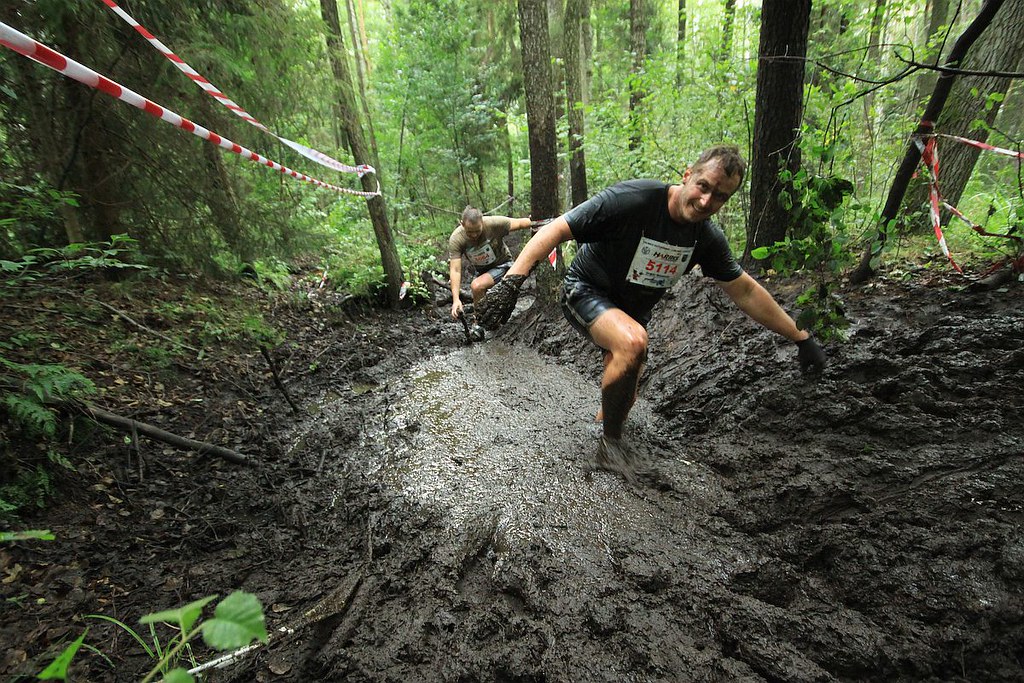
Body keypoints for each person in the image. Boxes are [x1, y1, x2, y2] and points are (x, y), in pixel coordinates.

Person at [477, 145, 826, 477]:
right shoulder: (633, 200)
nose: (706, 201)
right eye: (703, 186)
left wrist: (800, 336)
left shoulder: (705, 238)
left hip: (631, 311)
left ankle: (603, 431)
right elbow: (557, 228)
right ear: (687, 175)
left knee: (627, 387)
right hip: (585, 288)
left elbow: (746, 290)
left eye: (720, 196)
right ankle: (610, 448)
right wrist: (512, 282)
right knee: (632, 343)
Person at [447, 206, 534, 340]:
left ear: (483, 222)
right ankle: (485, 323)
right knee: (478, 290)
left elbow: (521, 223)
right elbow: (455, 270)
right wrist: (456, 299)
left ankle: (479, 324)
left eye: (477, 231)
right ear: (462, 224)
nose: (474, 235)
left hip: (504, 265)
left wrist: (539, 221)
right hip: (482, 271)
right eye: (470, 232)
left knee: (477, 286)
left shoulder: (494, 224)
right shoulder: (457, 239)